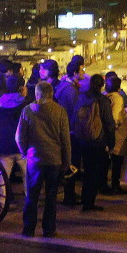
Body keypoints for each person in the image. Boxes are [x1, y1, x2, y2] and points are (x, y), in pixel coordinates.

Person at [16, 81, 71, 237]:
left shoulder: (27, 111)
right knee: (51, 197)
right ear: (51, 94)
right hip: (54, 160)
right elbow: (65, 139)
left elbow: (19, 137)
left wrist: (25, 153)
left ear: (37, 94)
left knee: (32, 195)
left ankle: (28, 228)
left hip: (35, 160)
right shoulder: (60, 111)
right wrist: (67, 162)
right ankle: (49, 229)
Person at [74, 74, 115, 211]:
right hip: (98, 140)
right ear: (102, 85)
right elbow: (109, 124)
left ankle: (85, 199)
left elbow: (76, 117)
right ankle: (89, 202)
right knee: (96, 172)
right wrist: (111, 142)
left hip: (83, 140)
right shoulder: (103, 101)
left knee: (87, 170)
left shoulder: (82, 97)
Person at [0, 75, 28, 194]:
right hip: (22, 147)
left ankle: (2, 204)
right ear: (21, 88)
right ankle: (30, 204)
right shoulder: (26, 105)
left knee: (2, 179)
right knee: (28, 177)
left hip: (5, 147)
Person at [56, 58, 83, 206]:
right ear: (75, 72)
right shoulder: (71, 90)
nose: (83, 73)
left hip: (67, 130)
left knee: (70, 163)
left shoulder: (64, 87)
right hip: (71, 131)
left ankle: (70, 194)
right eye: (82, 70)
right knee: (72, 164)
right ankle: (69, 196)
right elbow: (76, 111)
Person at [104, 74, 127, 194]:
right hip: (117, 134)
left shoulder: (105, 96)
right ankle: (115, 185)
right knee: (117, 160)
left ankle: (104, 184)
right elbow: (115, 116)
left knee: (106, 161)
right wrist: (116, 124)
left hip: (106, 133)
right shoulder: (118, 98)